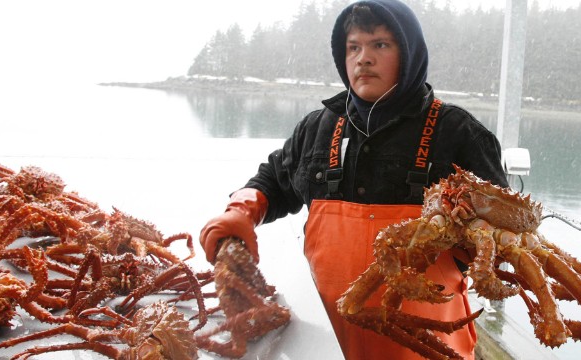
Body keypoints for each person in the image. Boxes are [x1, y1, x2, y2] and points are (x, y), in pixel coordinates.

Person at [200, 0, 508, 359]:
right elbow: (272, 180)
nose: (363, 58)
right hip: (323, 343)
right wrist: (241, 209)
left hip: (429, 348)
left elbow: (500, 236)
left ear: (409, 54)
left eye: (380, 44)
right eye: (353, 47)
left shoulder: (459, 133)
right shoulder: (317, 127)